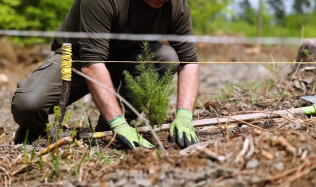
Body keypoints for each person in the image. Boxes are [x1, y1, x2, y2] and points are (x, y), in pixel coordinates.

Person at [11, 0, 199, 149]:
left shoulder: (175, 5)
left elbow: (189, 61)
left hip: (128, 59)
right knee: (27, 104)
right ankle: (35, 132)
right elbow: (92, 63)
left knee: (165, 57)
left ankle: (109, 131)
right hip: (77, 57)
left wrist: (184, 115)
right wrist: (118, 123)